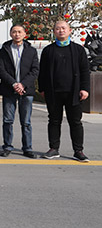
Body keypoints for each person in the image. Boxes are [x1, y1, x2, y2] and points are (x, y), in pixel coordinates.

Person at [38, 20, 91, 162]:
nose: (61, 30)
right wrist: (42, 89)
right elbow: (42, 72)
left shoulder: (78, 50)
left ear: (69, 31)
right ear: (54, 31)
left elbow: (85, 71)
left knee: (75, 122)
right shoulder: (48, 50)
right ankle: (53, 148)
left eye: (63, 28)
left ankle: (78, 151)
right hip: (54, 92)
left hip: (74, 93)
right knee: (54, 121)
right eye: (57, 28)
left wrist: (85, 89)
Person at [0, 24, 39, 159]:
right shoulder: (5, 50)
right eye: (14, 31)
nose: (17, 34)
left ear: (24, 34)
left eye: (20, 32)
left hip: (26, 90)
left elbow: (35, 70)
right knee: (8, 120)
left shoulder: (31, 51)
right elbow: (0, 69)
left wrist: (23, 85)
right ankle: (7, 146)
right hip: (9, 89)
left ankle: (27, 148)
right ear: (10, 34)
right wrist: (14, 84)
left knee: (26, 122)